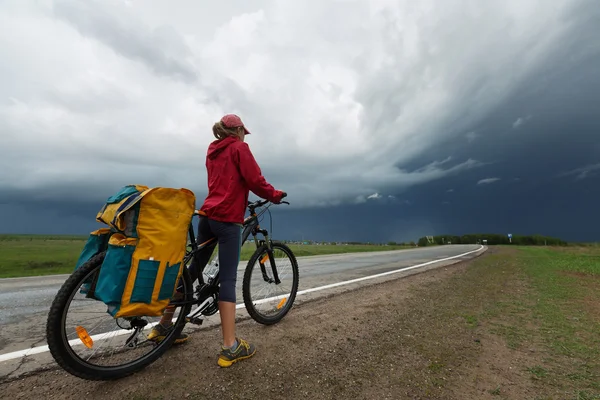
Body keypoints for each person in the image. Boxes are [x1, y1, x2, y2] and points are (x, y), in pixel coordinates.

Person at [148, 114, 286, 368]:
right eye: (244, 131)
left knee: (193, 269)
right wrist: (275, 195)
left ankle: (164, 326)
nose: (245, 135)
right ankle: (230, 347)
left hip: (208, 215)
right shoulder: (239, 148)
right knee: (228, 279)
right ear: (239, 131)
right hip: (228, 219)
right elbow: (255, 180)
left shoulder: (212, 151)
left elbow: (227, 182)